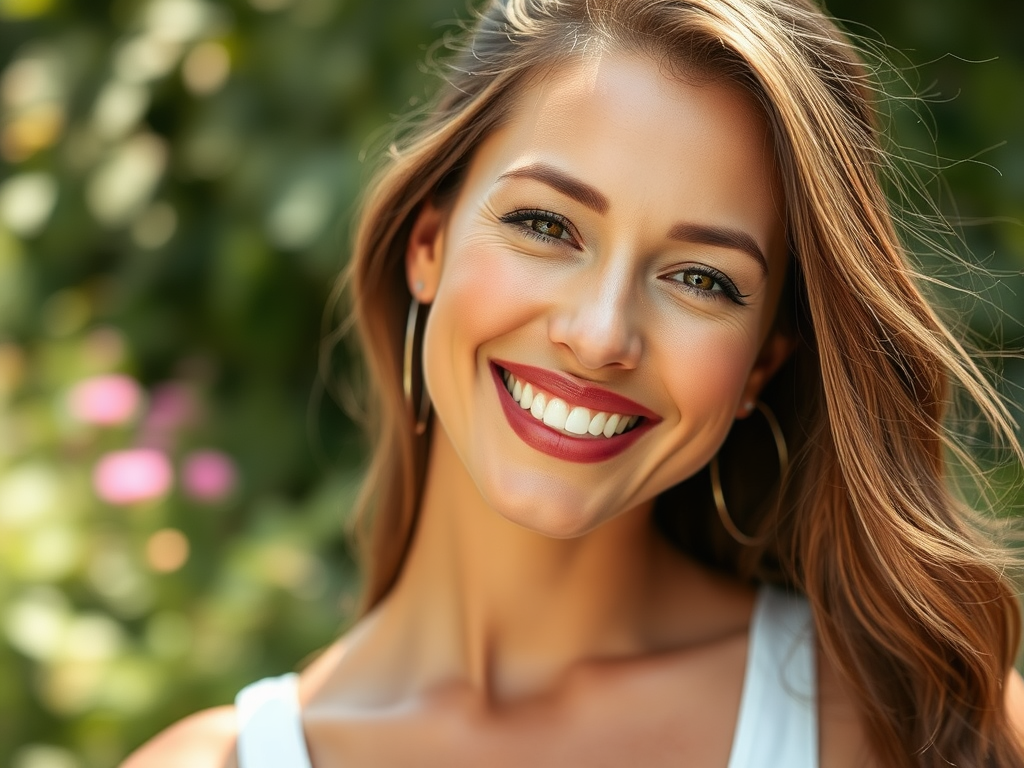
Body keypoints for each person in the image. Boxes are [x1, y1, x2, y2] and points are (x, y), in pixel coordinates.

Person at [123, 0, 1024, 766]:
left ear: (762, 363)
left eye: (702, 279)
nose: (600, 336)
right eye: (547, 225)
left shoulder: (908, 727)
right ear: (427, 245)